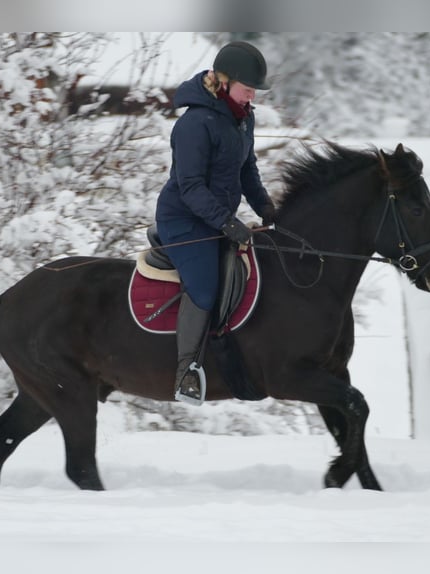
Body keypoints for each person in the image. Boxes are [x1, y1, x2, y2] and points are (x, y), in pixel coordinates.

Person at [155, 40, 276, 406]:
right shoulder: (194, 124)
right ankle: (186, 373)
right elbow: (190, 187)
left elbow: (247, 169)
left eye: (255, 90)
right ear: (222, 82)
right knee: (206, 288)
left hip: (218, 219)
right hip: (185, 220)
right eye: (247, 88)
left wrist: (267, 208)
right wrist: (227, 222)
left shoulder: (243, 117)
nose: (252, 96)